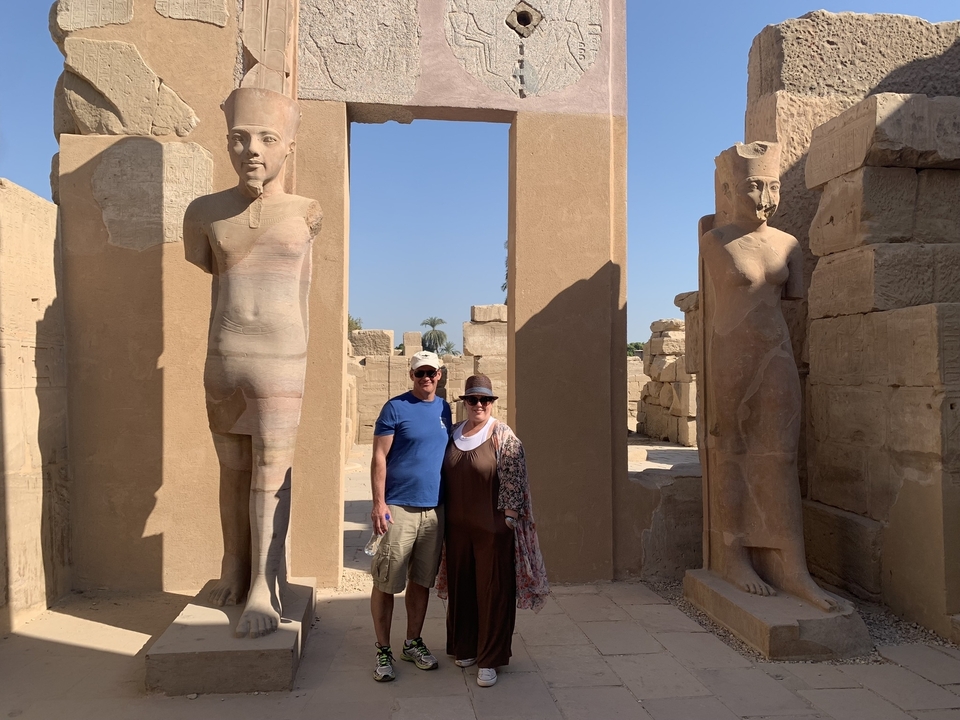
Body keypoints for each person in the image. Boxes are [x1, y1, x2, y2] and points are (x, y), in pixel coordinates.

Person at [183, 87, 322, 638]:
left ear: (289, 145)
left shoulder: (306, 211)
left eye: (267, 138)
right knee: (232, 470)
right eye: (240, 139)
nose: (253, 151)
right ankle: (234, 568)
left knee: (272, 473)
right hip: (223, 357)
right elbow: (206, 268)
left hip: (281, 359)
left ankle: (265, 584)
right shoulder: (204, 213)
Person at [699, 141, 838, 611]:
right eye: (754, 186)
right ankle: (734, 556)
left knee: (781, 457)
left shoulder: (789, 245)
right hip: (731, 355)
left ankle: (792, 567)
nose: (765, 197)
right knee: (731, 450)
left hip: (775, 354)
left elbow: (791, 301)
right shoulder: (714, 241)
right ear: (731, 189)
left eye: (772, 186)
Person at [436, 375, 549, 688]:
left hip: (492, 529)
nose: (479, 405)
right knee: (462, 587)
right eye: (472, 400)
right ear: (465, 403)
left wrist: (508, 521)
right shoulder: (454, 433)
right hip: (457, 530)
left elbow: (515, 480)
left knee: (493, 591)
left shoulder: (502, 434)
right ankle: (465, 646)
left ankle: (490, 659)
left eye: (485, 399)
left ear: (492, 402)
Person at [369, 351, 452, 682]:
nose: (426, 378)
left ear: (440, 374)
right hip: (399, 508)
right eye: (420, 373)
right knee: (387, 581)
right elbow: (379, 457)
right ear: (412, 375)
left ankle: (412, 642)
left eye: (431, 372)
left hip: (434, 509)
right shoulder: (395, 408)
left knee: (421, 581)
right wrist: (379, 503)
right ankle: (383, 649)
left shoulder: (445, 409)